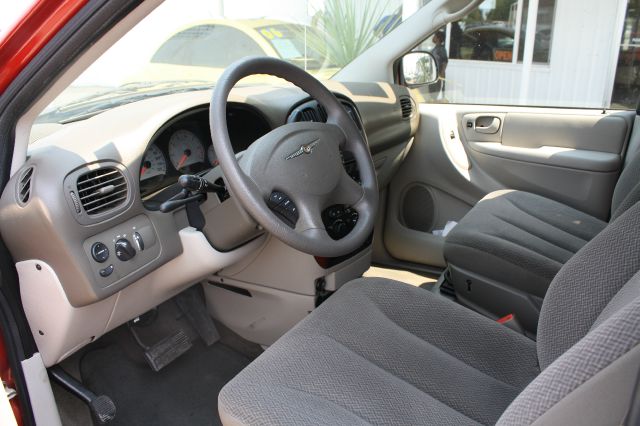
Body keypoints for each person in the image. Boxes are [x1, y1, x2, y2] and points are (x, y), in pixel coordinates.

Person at [430, 30, 448, 100]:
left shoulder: (441, 49)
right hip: (433, 75)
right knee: (432, 93)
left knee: (435, 93)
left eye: (434, 36)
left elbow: (445, 62)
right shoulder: (436, 48)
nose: (433, 38)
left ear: (438, 38)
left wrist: (442, 73)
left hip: (438, 75)